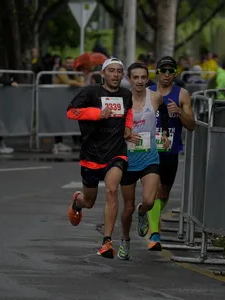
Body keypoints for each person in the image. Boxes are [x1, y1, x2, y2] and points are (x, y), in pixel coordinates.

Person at [66, 57, 133, 259]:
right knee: (89, 200)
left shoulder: (126, 94)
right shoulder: (91, 92)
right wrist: (97, 114)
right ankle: (77, 203)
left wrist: (128, 127)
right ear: (103, 74)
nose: (115, 74)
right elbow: (71, 112)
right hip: (91, 153)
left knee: (112, 190)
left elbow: (128, 113)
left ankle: (107, 241)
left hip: (116, 151)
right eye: (111, 71)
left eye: (119, 71)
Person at [117, 63, 170, 260]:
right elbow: (113, 124)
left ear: (147, 79)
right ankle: (125, 241)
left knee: (149, 200)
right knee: (127, 207)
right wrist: (124, 134)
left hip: (149, 156)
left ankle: (143, 212)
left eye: (143, 77)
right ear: (129, 79)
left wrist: (164, 132)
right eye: (135, 77)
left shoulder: (154, 96)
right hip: (129, 159)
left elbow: (163, 111)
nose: (139, 81)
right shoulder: (123, 99)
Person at [148, 56, 195, 250]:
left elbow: (192, 125)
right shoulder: (147, 92)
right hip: (148, 149)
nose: (166, 74)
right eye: (163, 70)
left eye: (170, 71)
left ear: (175, 73)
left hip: (170, 149)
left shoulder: (182, 94)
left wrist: (179, 112)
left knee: (164, 193)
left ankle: (150, 215)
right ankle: (154, 234)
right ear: (157, 72)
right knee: (154, 191)